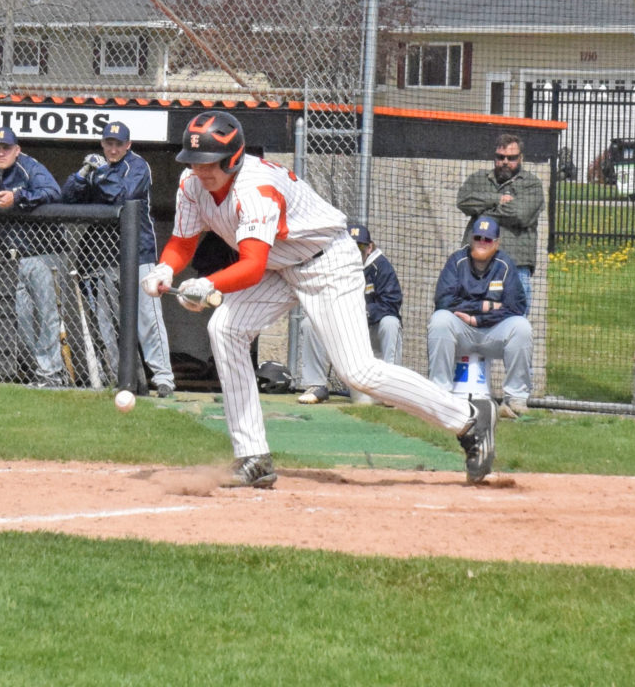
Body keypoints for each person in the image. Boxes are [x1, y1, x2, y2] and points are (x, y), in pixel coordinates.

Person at [142, 110, 495, 488]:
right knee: (225, 328)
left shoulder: (255, 189)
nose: (199, 170)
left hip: (326, 261)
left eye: (208, 162)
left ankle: (468, 418)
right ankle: (253, 456)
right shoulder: (191, 183)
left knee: (358, 372)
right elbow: (183, 241)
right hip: (280, 265)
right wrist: (166, 269)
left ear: (232, 158)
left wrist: (209, 284)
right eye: (194, 161)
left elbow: (251, 266)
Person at [62, 120, 175, 397]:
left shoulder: (137, 165)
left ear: (128, 145)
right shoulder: (97, 168)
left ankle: (164, 378)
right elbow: (68, 197)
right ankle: (118, 377)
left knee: (148, 318)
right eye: (109, 143)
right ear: (103, 143)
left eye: (118, 144)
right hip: (104, 256)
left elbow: (123, 195)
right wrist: (82, 173)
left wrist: (100, 175)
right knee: (108, 322)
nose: (113, 149)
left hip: (139, 252)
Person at [0, 127, 67, 388]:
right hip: (10, 257)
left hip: (44, 252)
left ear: (17, 150)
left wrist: (18, 198)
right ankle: (40, 368)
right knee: (19, 317)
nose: (1, 153)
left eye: (6, 148)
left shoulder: (30, 167)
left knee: (47, 315)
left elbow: (53, 192)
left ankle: (51, 373)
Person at [427, 216, 533, 419]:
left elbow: (516, 307)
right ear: (471, 239)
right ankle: (440, 394)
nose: (482, 243)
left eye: (488, 239)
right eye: (478, 238)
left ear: (497, 243)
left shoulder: (505, 264)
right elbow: (443, 300)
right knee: (440, 320)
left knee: (521, 327)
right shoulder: (456, 261)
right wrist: (483, 306)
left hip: (493, 332)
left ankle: (515, 399)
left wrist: (478, 319)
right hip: (462, 331)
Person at [296, 222, 403, 405]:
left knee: (391, 323)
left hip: (370, 330)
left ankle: (390, 389)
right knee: (309, 323)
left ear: (369, 248)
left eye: (360, 248)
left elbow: (391, 303)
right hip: (342, 330)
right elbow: (320, 300)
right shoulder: (332, 266)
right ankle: (316, 385)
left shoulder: (381, 266)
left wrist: (360, 313)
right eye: (351, 248)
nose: (355, 252)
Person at [456, 133, 544, 311]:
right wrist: (497, 199)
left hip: (515, 265)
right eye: (500, 157)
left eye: (511, 158)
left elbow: (520, 214)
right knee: (471, 315)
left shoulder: (531, 184)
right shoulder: (479, 179)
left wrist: (482, 213)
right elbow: (463, 201)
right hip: (476, 266)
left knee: (514, 319)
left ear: (521, 158)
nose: (505, 162)